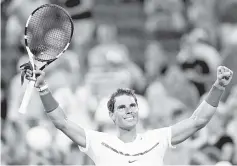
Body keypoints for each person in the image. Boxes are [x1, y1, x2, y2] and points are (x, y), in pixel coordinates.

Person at [22, 65, 233, 165]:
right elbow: (61, 121)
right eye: (122, 107)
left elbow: (198, 121)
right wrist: (42, 88)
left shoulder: (156, 138)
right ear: (112, 116)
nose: (129, 110)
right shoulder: (98, 141)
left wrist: (218, 87)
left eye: (132, 105)